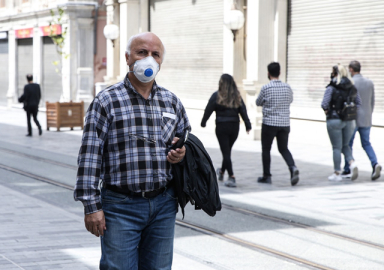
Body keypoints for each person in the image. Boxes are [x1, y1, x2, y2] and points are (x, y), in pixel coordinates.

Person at [74, 32, 191, 270]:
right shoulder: (106, 101)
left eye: (155, 54)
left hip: (163, 204)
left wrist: (182, 152)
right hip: (120, 206)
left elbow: (186, 138)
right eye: (142, 52)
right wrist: (91, 206)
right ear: (128, 58)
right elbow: (90, 154)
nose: (148, 59)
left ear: (160, 62)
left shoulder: (171, 101)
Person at [201, 74, 252, 188]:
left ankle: (232, 176)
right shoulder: (237, 96)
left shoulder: (216, 96)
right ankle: (222, 172)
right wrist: (248, 125)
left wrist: (203, 122)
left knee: (226, 152)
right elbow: (243, 111)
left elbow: (208, 109)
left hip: (221, 127)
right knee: (227, 151)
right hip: (234, 128)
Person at [256, 62, 299, 186]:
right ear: (280, 73)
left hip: (269, 123)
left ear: (268, 73)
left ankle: (267, 176)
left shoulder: (266, 88)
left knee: (266, 149)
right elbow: (290, 100)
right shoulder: (287, 87)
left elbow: (258, 102)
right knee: (283, 148)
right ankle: (292, 167)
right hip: (284, 123)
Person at [341, 61, 381, 181]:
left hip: (353, 118)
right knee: (366, 143)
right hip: (367, 118)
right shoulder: (369, 82)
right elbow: (372, 101)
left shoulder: (351, 82)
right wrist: (369, 114)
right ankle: (375, 164)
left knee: (348, 144)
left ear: (352, 70)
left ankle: (348, 168)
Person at [321, 64, 361, 182]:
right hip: (350, 120)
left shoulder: (331, 87)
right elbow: (359, 103)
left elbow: (324, 104)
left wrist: (328, 110)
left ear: (335, 73)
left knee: (336, 148)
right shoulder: (352, 87)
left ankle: (337, 173)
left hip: (335, 120)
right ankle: (352, 163)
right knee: (345, 145)